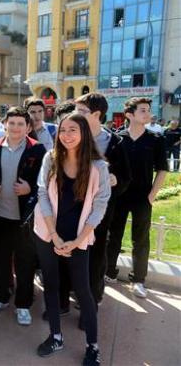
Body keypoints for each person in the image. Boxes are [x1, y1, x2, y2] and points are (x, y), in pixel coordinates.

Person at [34, 113, 111, 366]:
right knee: (52, 286)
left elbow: (99, 206)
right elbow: (42, 194)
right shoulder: (51, 158)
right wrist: (54, 236)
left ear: (84, 134)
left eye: (73, 130)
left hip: (80, 237)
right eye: (63, 130)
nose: (66, 135)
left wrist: (78, 241)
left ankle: (92, 346)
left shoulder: (98, 167)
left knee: (83, 291)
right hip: (48, 233)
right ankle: (55, 336)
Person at [0, 107, 46, 326]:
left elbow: (45, 181)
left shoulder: (38, 150)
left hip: (25, 217)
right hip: (0, 214)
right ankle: (0, 296)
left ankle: (23, 304)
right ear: (5, 124)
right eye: (12, 123)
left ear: (28, 127)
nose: (16, 128)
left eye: (21, 124)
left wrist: (30, 188)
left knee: (25, 262)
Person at [71, 93, 130, 306]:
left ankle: (91, 299)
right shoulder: (71, 135)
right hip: (71, 206)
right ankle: (70, 294)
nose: (75, 115)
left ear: (96, 114)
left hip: (99, 210)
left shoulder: (115, 143)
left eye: (81, 111)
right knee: (70, 250)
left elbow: (125, 177)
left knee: (95, 254)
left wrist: (116, 179)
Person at [106, 97, 167, 298]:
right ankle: (109, 273)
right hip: (119, 196)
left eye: (148, 110)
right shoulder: (117, 138)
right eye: (143, 110)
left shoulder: (155, 139)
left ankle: (139, 279)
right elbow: (107, 167)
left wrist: (151, 196)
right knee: (113, 235)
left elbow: (162, 170)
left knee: (140, 239)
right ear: (129, 115)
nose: (148, 114)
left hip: (143, 197)